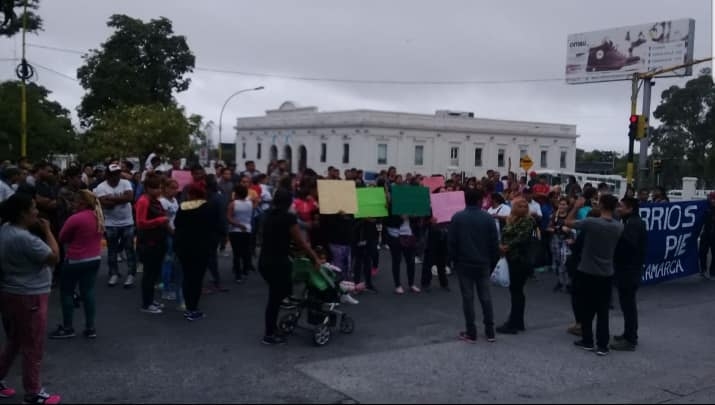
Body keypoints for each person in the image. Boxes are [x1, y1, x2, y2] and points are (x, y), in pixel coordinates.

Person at [0, 193, 61, 404]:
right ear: (22, 213)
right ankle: (33, 393)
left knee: (15, 340)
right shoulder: (24, 238)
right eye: (33, 208)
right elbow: (54, 256)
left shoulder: (5, 229)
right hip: (30, 295)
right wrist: (48, 231)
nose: (36, 212)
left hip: (12, 291)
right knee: (33, 345)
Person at [259, 189, 320, 345]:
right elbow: (300, 242)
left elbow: (275, 238)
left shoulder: (268, 215)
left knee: (278, 295)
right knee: (276, 298)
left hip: (265, 260)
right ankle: (269, 334)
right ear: (288, 202)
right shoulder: (288, 218)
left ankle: (272, 329)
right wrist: (314, 257)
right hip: (278, 262)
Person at [566, 195, 624, 356]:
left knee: (586, 307)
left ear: (602, 205)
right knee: (603, 310)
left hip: (587, 270)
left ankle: (587, 340)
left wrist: (576, 207)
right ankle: (603, 345)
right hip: (606, 272)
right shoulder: (619, 227)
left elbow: (568, 222)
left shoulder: (591, 222)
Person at [50, 190, 104, 340]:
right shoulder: (98, 216)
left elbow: (62, 237)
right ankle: (90, 327)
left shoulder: (75, 218)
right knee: (88, 292)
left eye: (75, 201)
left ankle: (68, 327)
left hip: (75, 259)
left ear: (82, 203)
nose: (73, 204)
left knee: (67, 292)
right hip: (94, 258)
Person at [448, 189, 499, 343]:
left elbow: (452, 243)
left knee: (468, 299)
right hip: (483, 263)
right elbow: (494, 243)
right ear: (479, 201)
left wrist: (454, 261)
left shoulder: (457, 218)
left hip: (464, 263)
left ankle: (471, 332)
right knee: (486, 297)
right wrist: (492, 262)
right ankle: (490, 331)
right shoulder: (488, 218)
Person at [175, 183, 223, 321]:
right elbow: (215, 226)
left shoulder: (183, 207)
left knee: (187, 277)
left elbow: (177, 225)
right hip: (201, 248)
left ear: (191, 194)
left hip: (184, 247)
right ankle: (193, 309)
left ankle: (188, 307)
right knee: (196, 279)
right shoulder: (208, 207)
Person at [611, 197, 648, 351]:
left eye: (621, 206)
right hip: (629, 270)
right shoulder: (631, 222)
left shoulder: (633, 224)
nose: (618, 209)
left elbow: (628, 246)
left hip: (629, 271)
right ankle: (628, 334)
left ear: (630, 208)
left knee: (628, 306)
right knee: (627, 305)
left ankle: (630, 339)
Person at [496, 198, 537, 335]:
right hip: (511, 257)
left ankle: (513, 323)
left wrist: (507, 246)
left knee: (517, 291)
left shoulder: (528, 221)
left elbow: (521, 237)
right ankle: (517, 321)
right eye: (520, 206)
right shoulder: (512, 219)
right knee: (516, 291)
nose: (523, 208)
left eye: (525, 206)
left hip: (520, 259)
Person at [93, 164, 137, 287]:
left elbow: (130, 197)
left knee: (129, 249)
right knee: (112, 250)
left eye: (118, 173)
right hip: (110, 223)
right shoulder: (101, 187)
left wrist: (111, 198)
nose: (116, 176)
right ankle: (114, 273)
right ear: (108, 175)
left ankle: (131, 274)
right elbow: (105, 204)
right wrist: (120, 198)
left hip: (127, 222)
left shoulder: (125, 183)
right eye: (113, 174)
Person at [135, 174, 170, 314]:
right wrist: (159, 221)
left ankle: (150, 300)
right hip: (149, 242)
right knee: (149, 274)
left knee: (154, 273)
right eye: (155, 188)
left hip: (158, 240)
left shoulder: (155, 200)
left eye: (159, 188)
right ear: (148, 188)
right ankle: (146, 303)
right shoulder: (143, 201)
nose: (158, 191)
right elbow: (141, 223)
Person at [159, 179, 182, 307]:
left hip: (175, 233)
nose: (175, 190)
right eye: (172, 188)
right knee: (167, 261)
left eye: (176, 188)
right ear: (165, 188)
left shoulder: (174, 200)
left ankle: (170, 284)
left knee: (172, 262)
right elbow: (164, 220)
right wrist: (172, 232)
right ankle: (166, 289)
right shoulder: (163, 202)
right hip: (168, 234)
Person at [227, 184, 254, 283]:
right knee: (245, 251)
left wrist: (238, 225)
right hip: (247, 230)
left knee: (236, 253)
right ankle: (245, 270)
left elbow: (229, 217)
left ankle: (238, 275)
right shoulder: (250, 203)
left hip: (235, 231)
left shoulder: (233, 204)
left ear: (237, 194)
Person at [547, 197, 574, 293]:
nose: (561, 206)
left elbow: (574, 228)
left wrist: (569, 230)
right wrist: (557, 229)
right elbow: (548, 228)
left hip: (566, 242)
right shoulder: (555, 216)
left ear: (567, 206)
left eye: (564, 204)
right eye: (560, 204)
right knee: (557, 263)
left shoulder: (570, 216)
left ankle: (568, 283)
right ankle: (560, 282)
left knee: (565, 263)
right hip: (555, 241)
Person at [700, 192, 715, 279]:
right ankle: (703, 270)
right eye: (712, 199)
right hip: (706, 233)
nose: (713, 201)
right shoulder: (705, 207)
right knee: (702, 253)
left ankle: (713, 272)